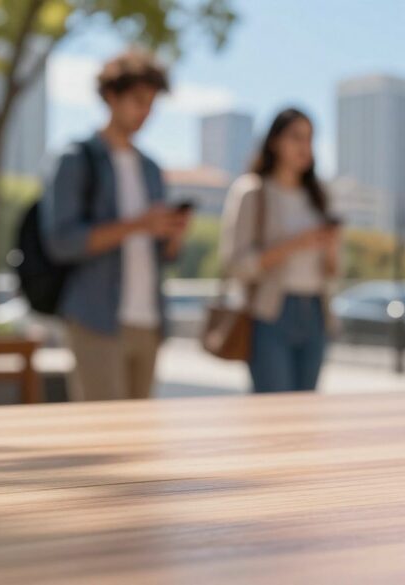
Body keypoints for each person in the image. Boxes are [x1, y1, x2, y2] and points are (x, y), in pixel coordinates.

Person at [41, 50, 190, 401]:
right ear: (111, 96)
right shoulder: (76, 159)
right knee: (104, 440)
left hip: (150, 321)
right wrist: (137, 224)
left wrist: (171, 234)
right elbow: (62, 242)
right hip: (95, 318)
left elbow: (163, 256)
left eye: (151, 103)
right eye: (138, 101)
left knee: (140, 439)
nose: (145, 112)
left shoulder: (152, 168)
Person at [220, 108, 341, 393]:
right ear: (274, 141)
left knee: (306, 409)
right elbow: (235, 263)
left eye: (310, 138)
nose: (304, 146)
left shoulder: (320, 195)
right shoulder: (252, 191)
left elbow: (334, 271)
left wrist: (331, 247)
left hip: (315, 312)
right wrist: (295, 244)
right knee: (273, 409)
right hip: (270, 313)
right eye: (296, 137)